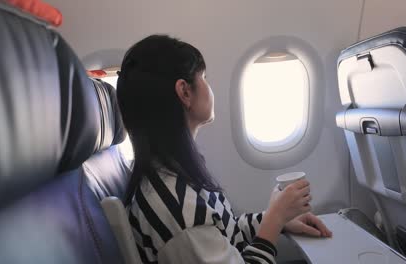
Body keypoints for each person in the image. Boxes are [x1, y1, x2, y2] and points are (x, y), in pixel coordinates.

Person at [117, 35, 331, 264]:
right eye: (204, 78)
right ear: (184, 92)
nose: (210, 87)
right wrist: (275, 219)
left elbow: (222, 233)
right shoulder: (176, 209)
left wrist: (274, 219)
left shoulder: (175, 173)